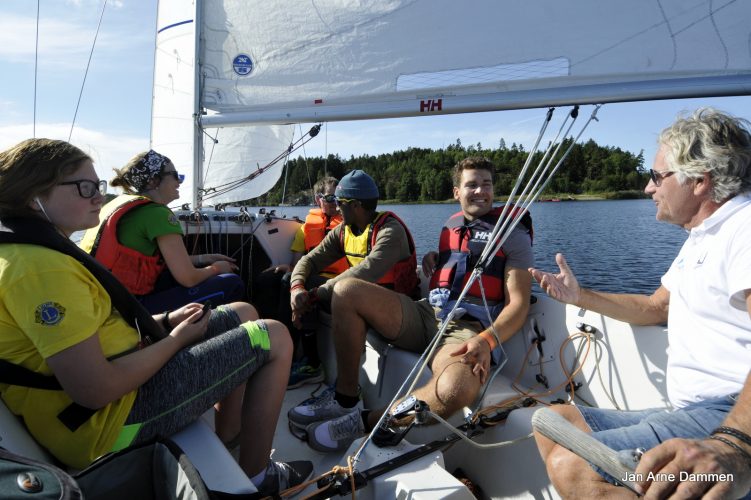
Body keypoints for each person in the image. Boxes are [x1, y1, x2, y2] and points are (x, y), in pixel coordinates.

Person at [0, 139, 312, 497]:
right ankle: (259, 477)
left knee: (243, 312)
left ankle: (229, 438)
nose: (98, 198)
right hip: (106, 425)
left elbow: (98, 325)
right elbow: (94, 390)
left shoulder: (37, 250)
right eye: (85, 188)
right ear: (33, 194)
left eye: (98, 187)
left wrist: (164, 321)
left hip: (114, 389)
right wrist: (177, 339)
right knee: (272, 335)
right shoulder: (39, 271)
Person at [528, 108, 751, 499]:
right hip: (691, 411)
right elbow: (656, 308)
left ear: (699, 180)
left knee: (574, 464)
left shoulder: (744, 229)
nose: (649, 188)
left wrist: (736, 443)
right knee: (552, 420)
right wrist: (580, 297)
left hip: (730, 414)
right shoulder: (703, 236)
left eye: (656, 176)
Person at [289, 157, 533, 453]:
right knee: (346, 290)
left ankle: (368, 422)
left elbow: (518, 305)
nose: (481, 191)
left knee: (457, 389)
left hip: (464, 329)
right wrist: (436, 257)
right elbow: (458, 267)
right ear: (456, 192)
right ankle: (345, 400)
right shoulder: (451, 226)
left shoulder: (512, 234)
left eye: (487, 184)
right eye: (471, 184)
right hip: (426, 313)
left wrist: (487, 340)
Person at [80, 150, 243, 314]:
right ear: (153, 181)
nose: (179, 181)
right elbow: (188, 279)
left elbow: (151, 264)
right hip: (131, 309)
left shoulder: (118, 205)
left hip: (107, 301)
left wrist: (204, 259)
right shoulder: (157, 214)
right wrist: (216, 268)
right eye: (174, 175)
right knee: (231, 282)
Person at [253, 176, 347, 388]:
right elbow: (297, 263)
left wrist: (295, 277)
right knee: (267, 279)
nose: (336, 203)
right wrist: (289, 268)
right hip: (312, 278)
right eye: (331, 197)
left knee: (292, 282)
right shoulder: (306, 229)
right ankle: (268, 345)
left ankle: (304, 361)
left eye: (339, 198)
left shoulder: (348, 226)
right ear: (318, 199)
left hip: (338, 284)